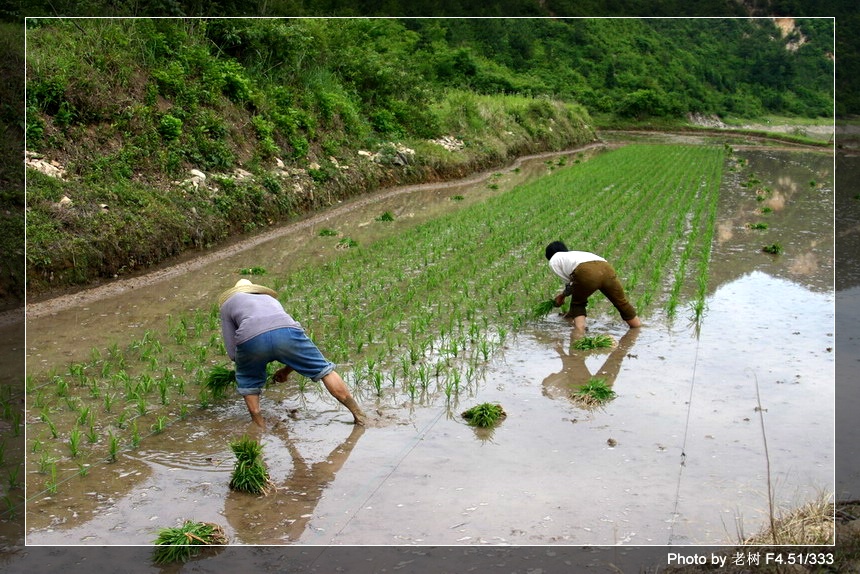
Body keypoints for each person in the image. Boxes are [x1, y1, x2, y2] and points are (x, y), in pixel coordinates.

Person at [219, 279, 365, 427]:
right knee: (324, 371)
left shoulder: (227, 305)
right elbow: (292, 344)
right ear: (255, 290)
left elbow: (232, 353)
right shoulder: (269, 299)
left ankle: (260, 427)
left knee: (248, 381)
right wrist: (286, 370)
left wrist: (251, 364)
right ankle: (359, 415)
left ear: (236, 292)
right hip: (288, 332)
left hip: (250, 339)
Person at [544, 241, 641, 332]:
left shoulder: (554, 260)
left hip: (587, 272)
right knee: (621, 302)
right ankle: (637, 328)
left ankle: (579, 334)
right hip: (606, 268)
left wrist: (562, 296)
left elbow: (572, 285)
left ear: (549, 255)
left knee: (578, 303)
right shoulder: (576, 254)